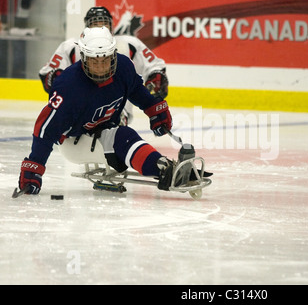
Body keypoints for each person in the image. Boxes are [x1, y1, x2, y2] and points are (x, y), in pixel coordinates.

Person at [17, 26, 191, 195]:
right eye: (94, 61)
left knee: (120, 135)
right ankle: (163, 169)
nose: (100, 67)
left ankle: (163, 166)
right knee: (122, 137)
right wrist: (34, 166)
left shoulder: (123, 66)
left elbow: (136, 90)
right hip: (73, 141)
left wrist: (153, 108)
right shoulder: (68, 86)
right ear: (84, 58)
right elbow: (46, 129)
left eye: (105, 60)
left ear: (113, 55)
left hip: (105, 125)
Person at [38, 6, 168, 125]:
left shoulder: (128, 44)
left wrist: (156, 80)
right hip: (82, 111)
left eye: (104, 23)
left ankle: (119, 119)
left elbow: (155, 67)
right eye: (95, 24)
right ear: (87, 27)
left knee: (116, 130)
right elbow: (50, 75)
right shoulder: (72, 47)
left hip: (119, 109)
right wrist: (58, 81)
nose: (101, 27)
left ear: (111, 25)